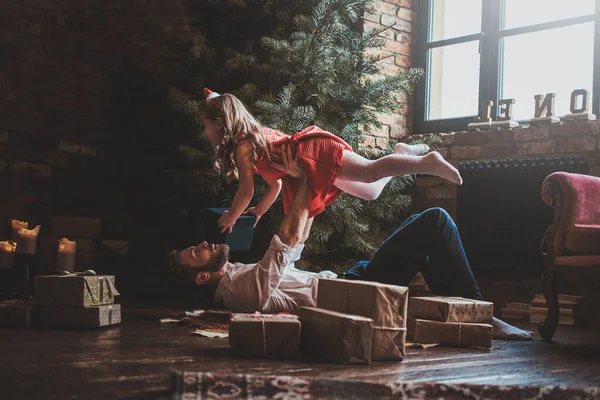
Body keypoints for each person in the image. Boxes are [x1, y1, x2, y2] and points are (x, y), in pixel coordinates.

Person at [167, 144, 532, 341]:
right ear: (202, 277)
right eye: (196, 252)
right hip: (353, 296)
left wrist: (305, 192)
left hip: (347, 278)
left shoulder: (237, 273)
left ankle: (471, 316)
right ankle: (484, 317)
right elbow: (285, 243)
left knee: (420, 230)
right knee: (434, 221)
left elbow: (293, 249)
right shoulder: (239, 293)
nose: (204, 243)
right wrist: (307, 176)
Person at [200, 88, 462, 235]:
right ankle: (403, 153)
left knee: (370, 172)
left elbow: (245, 190)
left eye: (205, 125)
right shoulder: (253, 146)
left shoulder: (244, 146)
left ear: (220, 123)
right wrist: (258, 211)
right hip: (305, 165)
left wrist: (230, 217)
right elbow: (275, 186)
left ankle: (426, 162)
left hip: (312, 153)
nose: (204, 132)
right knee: (370, 191)